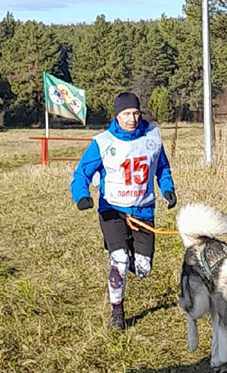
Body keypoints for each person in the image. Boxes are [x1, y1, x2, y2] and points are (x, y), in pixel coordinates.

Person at [71, 92, 176, 331]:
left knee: (143, 269)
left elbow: (163, 168)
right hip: (113, 210)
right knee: (119, 261)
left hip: (144, 210)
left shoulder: (152, 137)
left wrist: (167, 189)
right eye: (127, 114)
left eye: (136, 113)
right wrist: (82, 196)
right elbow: (81, 174)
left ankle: (125, 253)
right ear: (117, 115)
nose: (132, 118)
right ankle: (117, 311)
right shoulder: (103, 142)